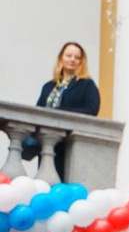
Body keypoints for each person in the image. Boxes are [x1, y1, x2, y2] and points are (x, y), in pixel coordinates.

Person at [22, 41, 99, 179]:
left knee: (63, 179)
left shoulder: (87, 85)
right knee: (45, 180)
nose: (72, 59)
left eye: (77, 57)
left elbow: (92, 109)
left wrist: (63, 111)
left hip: (69, 143)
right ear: (61, 58)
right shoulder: (48, 86)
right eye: (69, 55)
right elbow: (38, 111)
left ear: (82, 61)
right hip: (46, 143)